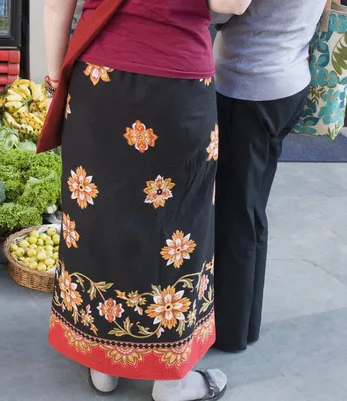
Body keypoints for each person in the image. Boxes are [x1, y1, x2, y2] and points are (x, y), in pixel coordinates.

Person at [43, 0, 251, 399]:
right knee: (176, 226)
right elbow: (231, 4)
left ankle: (101, 363)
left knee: (98, 217)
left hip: (98, 83)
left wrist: (56, 78)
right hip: (176, 88)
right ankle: (169, 381)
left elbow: (56, 6)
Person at [213, 0, 327, 353]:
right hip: (287, 79)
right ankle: (245, 324)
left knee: (236, 216)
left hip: (248, 85)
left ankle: (229, 331)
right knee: (250, 209)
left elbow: (222, 8)